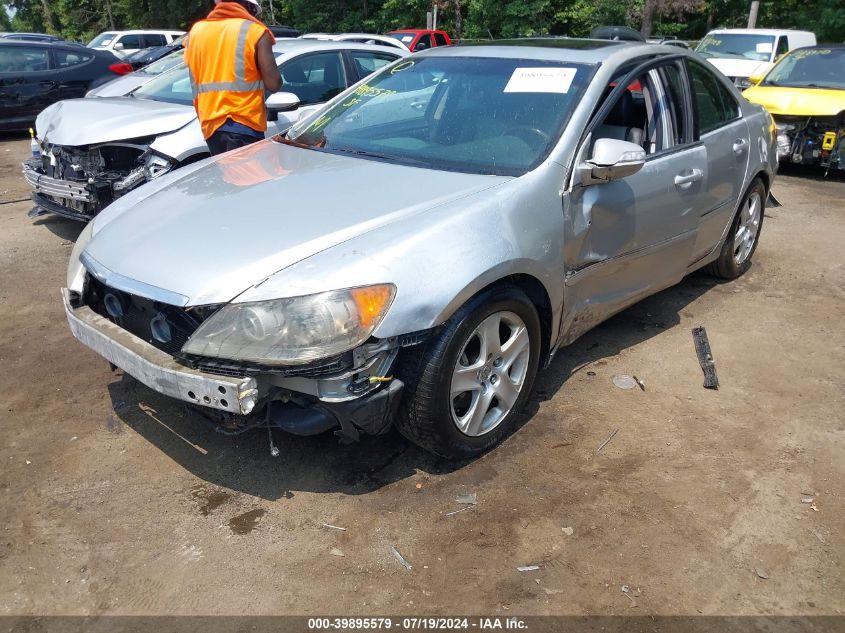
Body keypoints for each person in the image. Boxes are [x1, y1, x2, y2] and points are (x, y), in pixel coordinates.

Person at [185, 0, 282, 155]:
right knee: (250, 179)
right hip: (243, 125)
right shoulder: (255, 31)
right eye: (253, 11)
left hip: (210, 127)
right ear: (247, 6)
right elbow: (274, 84)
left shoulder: (196, 32)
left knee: (229, 179)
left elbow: (194, 79)